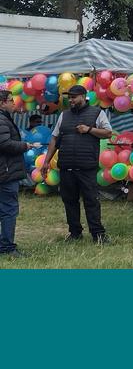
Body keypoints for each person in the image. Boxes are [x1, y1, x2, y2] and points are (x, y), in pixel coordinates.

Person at [42, 85, 113, 244]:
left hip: (86, 168)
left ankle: (98, 234)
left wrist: (89, 129)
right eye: (69, 97)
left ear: (84, 96)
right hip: (66, 167)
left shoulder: (97, 113)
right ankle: (74, 233)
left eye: (74, 97)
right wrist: (46, 161)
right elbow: (54, 138)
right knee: (69, 201)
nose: (71, 100)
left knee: (91, 201)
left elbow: (108, 132)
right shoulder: (64, 115)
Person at [0, 90, 40, 257]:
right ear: (2, 103)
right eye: (10, 100)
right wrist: (26, 146)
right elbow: (4, 144)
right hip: (6, 172)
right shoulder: (1, 119)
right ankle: (8, 248)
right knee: (9, 210)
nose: (13, 103)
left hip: (4, 170)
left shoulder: (5, 118)